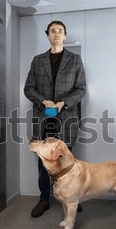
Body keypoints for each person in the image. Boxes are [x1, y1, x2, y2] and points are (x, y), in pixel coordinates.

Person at [24, 20, 86, 217]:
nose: (56, 34)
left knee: (67, 160)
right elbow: (29, 88)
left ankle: (72, 197)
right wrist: (44, 101)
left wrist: (62, 103)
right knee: (44, 161)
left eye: (60, 31)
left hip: (66, 117)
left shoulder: (75, 60)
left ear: (65, 36)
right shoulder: (37, 60)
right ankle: (44, 199)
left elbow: (81, 89)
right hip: (44, 118)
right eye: (53, 31)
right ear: (47, 35)